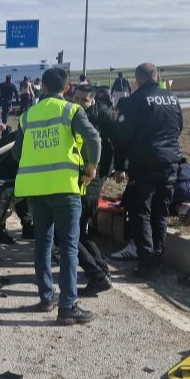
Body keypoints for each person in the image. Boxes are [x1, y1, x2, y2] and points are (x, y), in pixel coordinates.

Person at [13, 67, 101, 325]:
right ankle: (68, 306)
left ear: (42, 87)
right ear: (68, 87)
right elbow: (94, 139)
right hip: (65, 189)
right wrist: (91, 168)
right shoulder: (71, 111)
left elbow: (17, 154)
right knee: (69, 246)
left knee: (42, 244)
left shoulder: (28, 116)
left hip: (37, 191)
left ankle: (46, 297)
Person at [113, 63, 183, 277]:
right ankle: (157, 258)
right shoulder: (172, 98)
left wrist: (120, 166)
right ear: (157, 77)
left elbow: (122, 137)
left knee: (139, 211)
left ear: (138, 80)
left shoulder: (134, 101)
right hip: (170, 162)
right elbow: (179, 127)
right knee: (161, 212)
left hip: (145, 163)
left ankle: (147, 261)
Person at [72, 84, 116, 296]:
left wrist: (117, 167)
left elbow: (115, 142)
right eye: (77, 99)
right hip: (80, 176)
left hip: (93, 176)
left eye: (85, 100)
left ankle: (98, 274)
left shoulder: (103, 116)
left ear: (93, 100)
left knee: (73, 232)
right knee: (80, 231)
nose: (80, 103)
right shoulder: (73, 113)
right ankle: (101, 269)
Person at [111, 159, 190, 260]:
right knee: (161, 200)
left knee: (146, 203)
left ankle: (134, 246)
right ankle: (181, 208)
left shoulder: (146, 160)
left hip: (177, 185)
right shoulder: (171, 153)